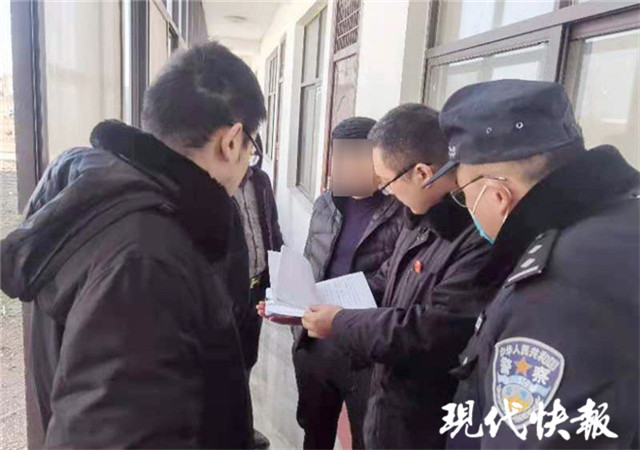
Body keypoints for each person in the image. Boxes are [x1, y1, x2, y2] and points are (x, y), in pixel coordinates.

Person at [1, 42, 266, 448]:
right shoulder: (147, 258)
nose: (248, 164)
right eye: (253, 149)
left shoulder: (104, 205)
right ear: (232, 141)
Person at [425, 79, 639, 448]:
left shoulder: (553, 289)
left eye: (464, 196)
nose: (466, 208)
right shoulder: (621, 220)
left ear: (498, 196)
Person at [301, 104, 494, 449]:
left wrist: (340, 323)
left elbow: (430, 331)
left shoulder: (477, 238)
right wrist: (309, 302)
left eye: (387, 182)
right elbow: (386, 280)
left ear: (421, 173)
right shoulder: (420, 216)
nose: (385, 191)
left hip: (428, 418)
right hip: (390, 398)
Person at [261, 117, 404, 449]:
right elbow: (312, 264)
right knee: (315, 431)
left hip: (363, 350)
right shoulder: (326, 204)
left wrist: (342, 315)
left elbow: (395, 282)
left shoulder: (400, 213)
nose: (338, 166)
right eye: (336, 156)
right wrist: (290, 307)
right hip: (316, 345)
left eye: (350, 157)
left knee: (367, 436)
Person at [232, 133, 284, 449]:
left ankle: (242, 427)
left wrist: (278, 276)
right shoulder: (216, 186)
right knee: (226, 363)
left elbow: (271, 227)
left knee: (248, 359)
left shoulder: (260, 181)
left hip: (257, 287)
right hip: (229, 292)